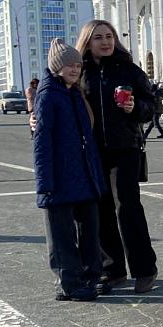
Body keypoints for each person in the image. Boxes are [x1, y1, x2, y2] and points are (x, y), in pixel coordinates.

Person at [76, 19, 158, 294]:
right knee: (101, 210)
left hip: (125, 148)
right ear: (87, 42)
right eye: (98, 37)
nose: (105, 41)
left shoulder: (128, 70)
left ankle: (145, 270)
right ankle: (112, 271)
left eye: (109, 36)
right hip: (92, 151)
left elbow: (152, 107)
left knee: (127, 207)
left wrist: (135, 108)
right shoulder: (80, 73)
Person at [33, 39, 108, 303]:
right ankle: (69, 284)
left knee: (89, 228)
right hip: (60, 177)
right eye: (69, 65)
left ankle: (90, 277)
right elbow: (42, 141)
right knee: (62, 234)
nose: (75, 70)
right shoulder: (48, 95)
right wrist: (45, 183)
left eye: (78, 65)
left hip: (83, 175)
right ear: (57, 67)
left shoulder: (73, 93)